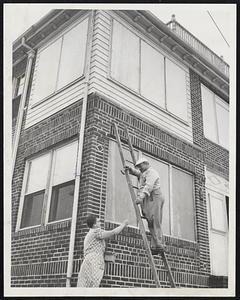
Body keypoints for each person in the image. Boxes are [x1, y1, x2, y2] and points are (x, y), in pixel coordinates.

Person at [126, 157, 165, 255]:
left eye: (140, 166)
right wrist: (131, 171)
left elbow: (149, 186)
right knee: (150, 221)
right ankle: (155, 245)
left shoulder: (152, 173)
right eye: (138, 167)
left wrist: (141, 197)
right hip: (149, 197)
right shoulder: (144, 172)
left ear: (146, 164)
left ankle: (159, 244)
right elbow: (140, 175)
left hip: (155, 196)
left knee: (156, 220)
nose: (139, 168)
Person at [77, 214, 128, 287]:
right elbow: (113, 232)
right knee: (93, 285)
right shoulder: (96, 232)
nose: (100, 223)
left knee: (85, 286)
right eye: (98, 221)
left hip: (87, 262)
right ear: (94, 225)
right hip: (94, 262)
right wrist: (123, 224)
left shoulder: (89, 234)